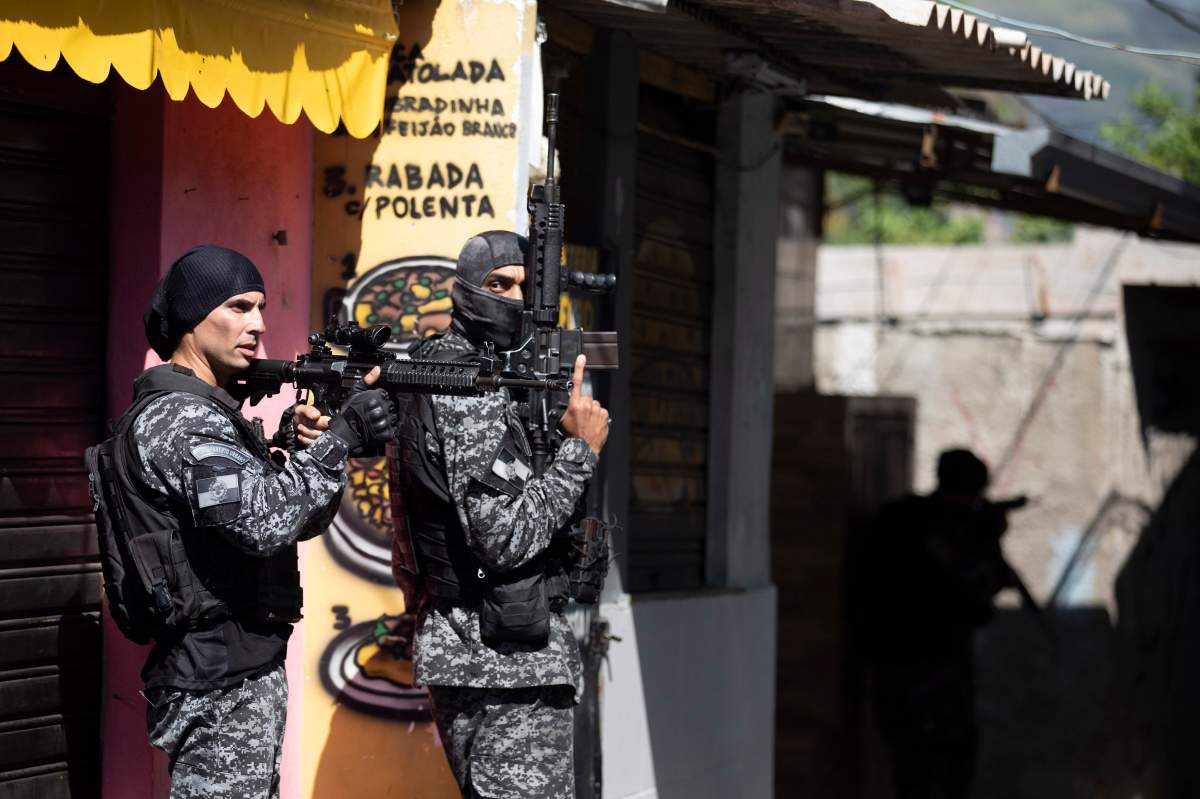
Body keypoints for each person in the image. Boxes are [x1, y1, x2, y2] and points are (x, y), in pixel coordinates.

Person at [298, 230, 609, 798]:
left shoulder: (449, 369)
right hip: (504, 664)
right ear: (464, 291)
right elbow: (503, 538)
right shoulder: (468, 384)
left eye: (524, 285)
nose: (513, 298)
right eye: (498, 284)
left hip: (485, 653)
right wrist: (580, 452)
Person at [102, 245, 396, 798]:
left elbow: (293, 521)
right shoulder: (181, 420)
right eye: (238, 306)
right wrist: (340, 440)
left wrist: (302, 447)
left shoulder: (211, 415)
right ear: (192, 319)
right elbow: (263, 523)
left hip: (236, 673)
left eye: (260, 306)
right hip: (215, 685)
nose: (258, 324)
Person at [856, 448, 1017, 799]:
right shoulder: (922, 527)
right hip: (926, 669)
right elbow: (975, 603)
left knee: (916, 769)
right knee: (934, 768)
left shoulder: (900, 517)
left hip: (903, 668)